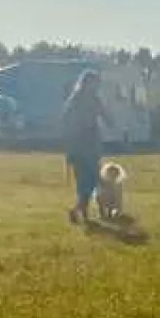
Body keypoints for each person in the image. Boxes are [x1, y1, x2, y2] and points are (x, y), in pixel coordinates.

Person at [61, 70, 109, 224]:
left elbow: (105, 114)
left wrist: (111, 122)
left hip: (93, 147)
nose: (95, 86)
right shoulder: (75, 100)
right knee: (84, 185)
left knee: (95, 182)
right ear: (85, 83)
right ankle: (84, 214)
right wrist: (70, 149)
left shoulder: (95, 99)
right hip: (79, 149)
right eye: (93, 83)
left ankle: (80, 212)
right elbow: (68, 124)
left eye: (97, 83)